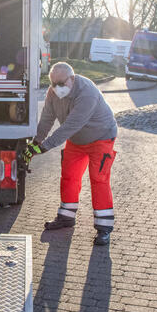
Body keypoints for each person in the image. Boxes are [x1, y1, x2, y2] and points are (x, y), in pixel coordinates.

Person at [23, 62, 118, 246]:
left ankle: (104, 228)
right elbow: (47, 118)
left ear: (72, 79)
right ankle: (66, 217)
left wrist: (44, 147)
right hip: (76, 140)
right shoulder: (53, 92)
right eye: (53, 83)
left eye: (61, 83)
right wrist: (35, 143)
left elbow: (70, 126)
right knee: (69, 176)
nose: (57, 88)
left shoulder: (87, 93)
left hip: (101, 137)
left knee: (99, 179)